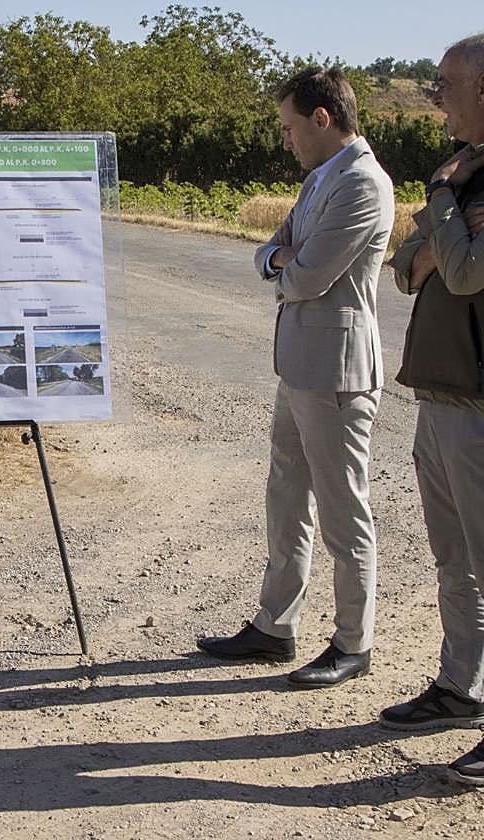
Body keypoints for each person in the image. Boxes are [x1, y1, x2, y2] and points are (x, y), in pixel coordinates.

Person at [197, 66, 395, 688]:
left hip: (336, 373)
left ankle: (352, 642)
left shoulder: (363, 184)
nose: (285, 141)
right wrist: (281, 259)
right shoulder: (320, 180)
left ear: (321, 119)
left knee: (342, 510)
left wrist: (280, 261)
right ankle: (275, 627)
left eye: (289, 128)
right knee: (287, 497)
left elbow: (305, 277)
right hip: (300, 366)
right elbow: (274, 252)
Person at [378, 33, 484, 786]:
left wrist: (441, 206)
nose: (434, 95)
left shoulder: (456, 180)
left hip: (479, 405)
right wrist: (445, 231)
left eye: (445, 83)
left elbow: (466, 274)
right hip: (439, 396)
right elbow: (405, 271)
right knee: (454, 562)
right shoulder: (463, 176)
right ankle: (459, 688)